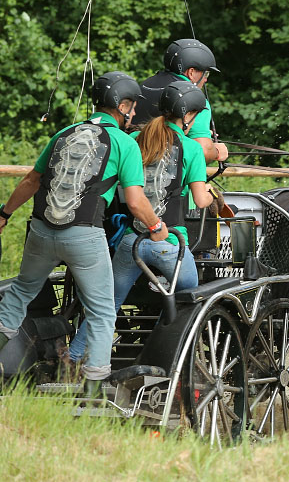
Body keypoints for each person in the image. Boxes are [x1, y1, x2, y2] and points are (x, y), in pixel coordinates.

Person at [0, 72, 168, 395]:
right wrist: (156, 227)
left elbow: (31, 182)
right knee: (103, 310)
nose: (133, 115)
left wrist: (4, 214)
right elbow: (135, 201)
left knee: (21, 293)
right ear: (123, 106)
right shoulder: (124, 143)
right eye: (131, 108)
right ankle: (92, 393)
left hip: (41, 232)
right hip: (84, 238)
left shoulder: (63, 133)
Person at [67, 81, 214, 368]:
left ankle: (72, 357)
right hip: (170, 243)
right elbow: (200, 199)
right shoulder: (192, 149)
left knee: (108, 304)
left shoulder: (136, 140)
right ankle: (159, 353)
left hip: (131, 241)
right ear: (186, 116)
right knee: (188, 299)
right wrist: (210, 193)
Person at [137, 38, 229, 164]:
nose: (206, 80)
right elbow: (203, 151)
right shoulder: (193, 98)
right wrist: (217, 151)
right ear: (191, 72)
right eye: (205, 74)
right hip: (168, 177)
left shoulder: (144, 86)